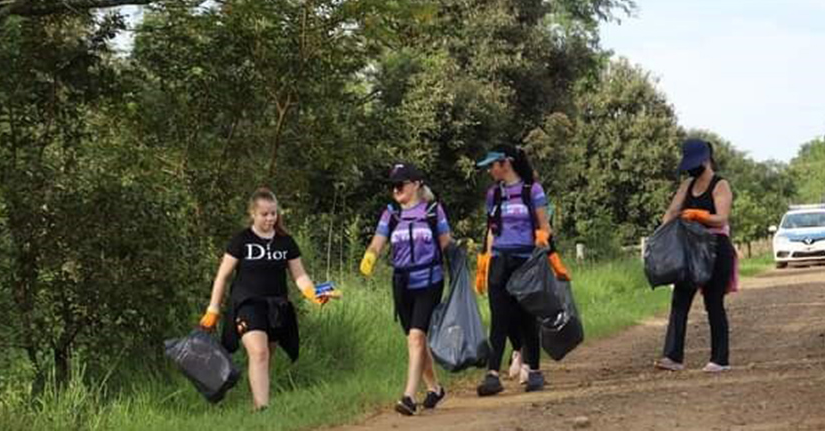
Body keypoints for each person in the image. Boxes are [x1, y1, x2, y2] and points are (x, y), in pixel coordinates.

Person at [199, 188, 338, 410]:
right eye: (265, 214)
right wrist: (213, 308)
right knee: (259, 351)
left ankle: (257, 403)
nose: (270, 218)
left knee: (266, 356)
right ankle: (263, 410)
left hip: (276, 306)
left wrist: (314, 294)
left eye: (273, 213)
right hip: (246, 304)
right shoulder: (241, 240)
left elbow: (300, 276)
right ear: (253, 213)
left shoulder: (286, 242)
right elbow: (223, 276)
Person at [472, 144, 571, 396]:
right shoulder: (494, 194)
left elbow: (544, 225)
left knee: (528, 318)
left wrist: (543, 241)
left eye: (493, 165)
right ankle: (492, 375)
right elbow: (491, 229)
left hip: (527, 262)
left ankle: (534, 371)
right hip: (500, 260)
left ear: (506, 163)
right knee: (499, 319)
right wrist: (484, 261)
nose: (490, 170)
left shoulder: (532, 191)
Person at [360, 162, 451, 416]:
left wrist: (462, 270)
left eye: (400, 184)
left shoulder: (433, 210)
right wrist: (370, 256)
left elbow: (446, 243)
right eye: (393, 185)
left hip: (429, 280)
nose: (396, 189)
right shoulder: (391, 214)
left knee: (416, 337)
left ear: (416, 184)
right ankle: (434, 387)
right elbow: (378, 242)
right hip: (402, 284)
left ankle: (409, 396)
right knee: (414, 340)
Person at [656, 138, 737, 373]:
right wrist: (664, 231)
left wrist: (698, 215)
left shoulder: (720, 185)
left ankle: (719, 360)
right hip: (690, 249)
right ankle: (672, 357)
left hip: (715, 248)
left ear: (706, 159)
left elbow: (721, 218)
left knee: (714, 303)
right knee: (680, 301)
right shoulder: (687, 185)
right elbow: (671, 212)